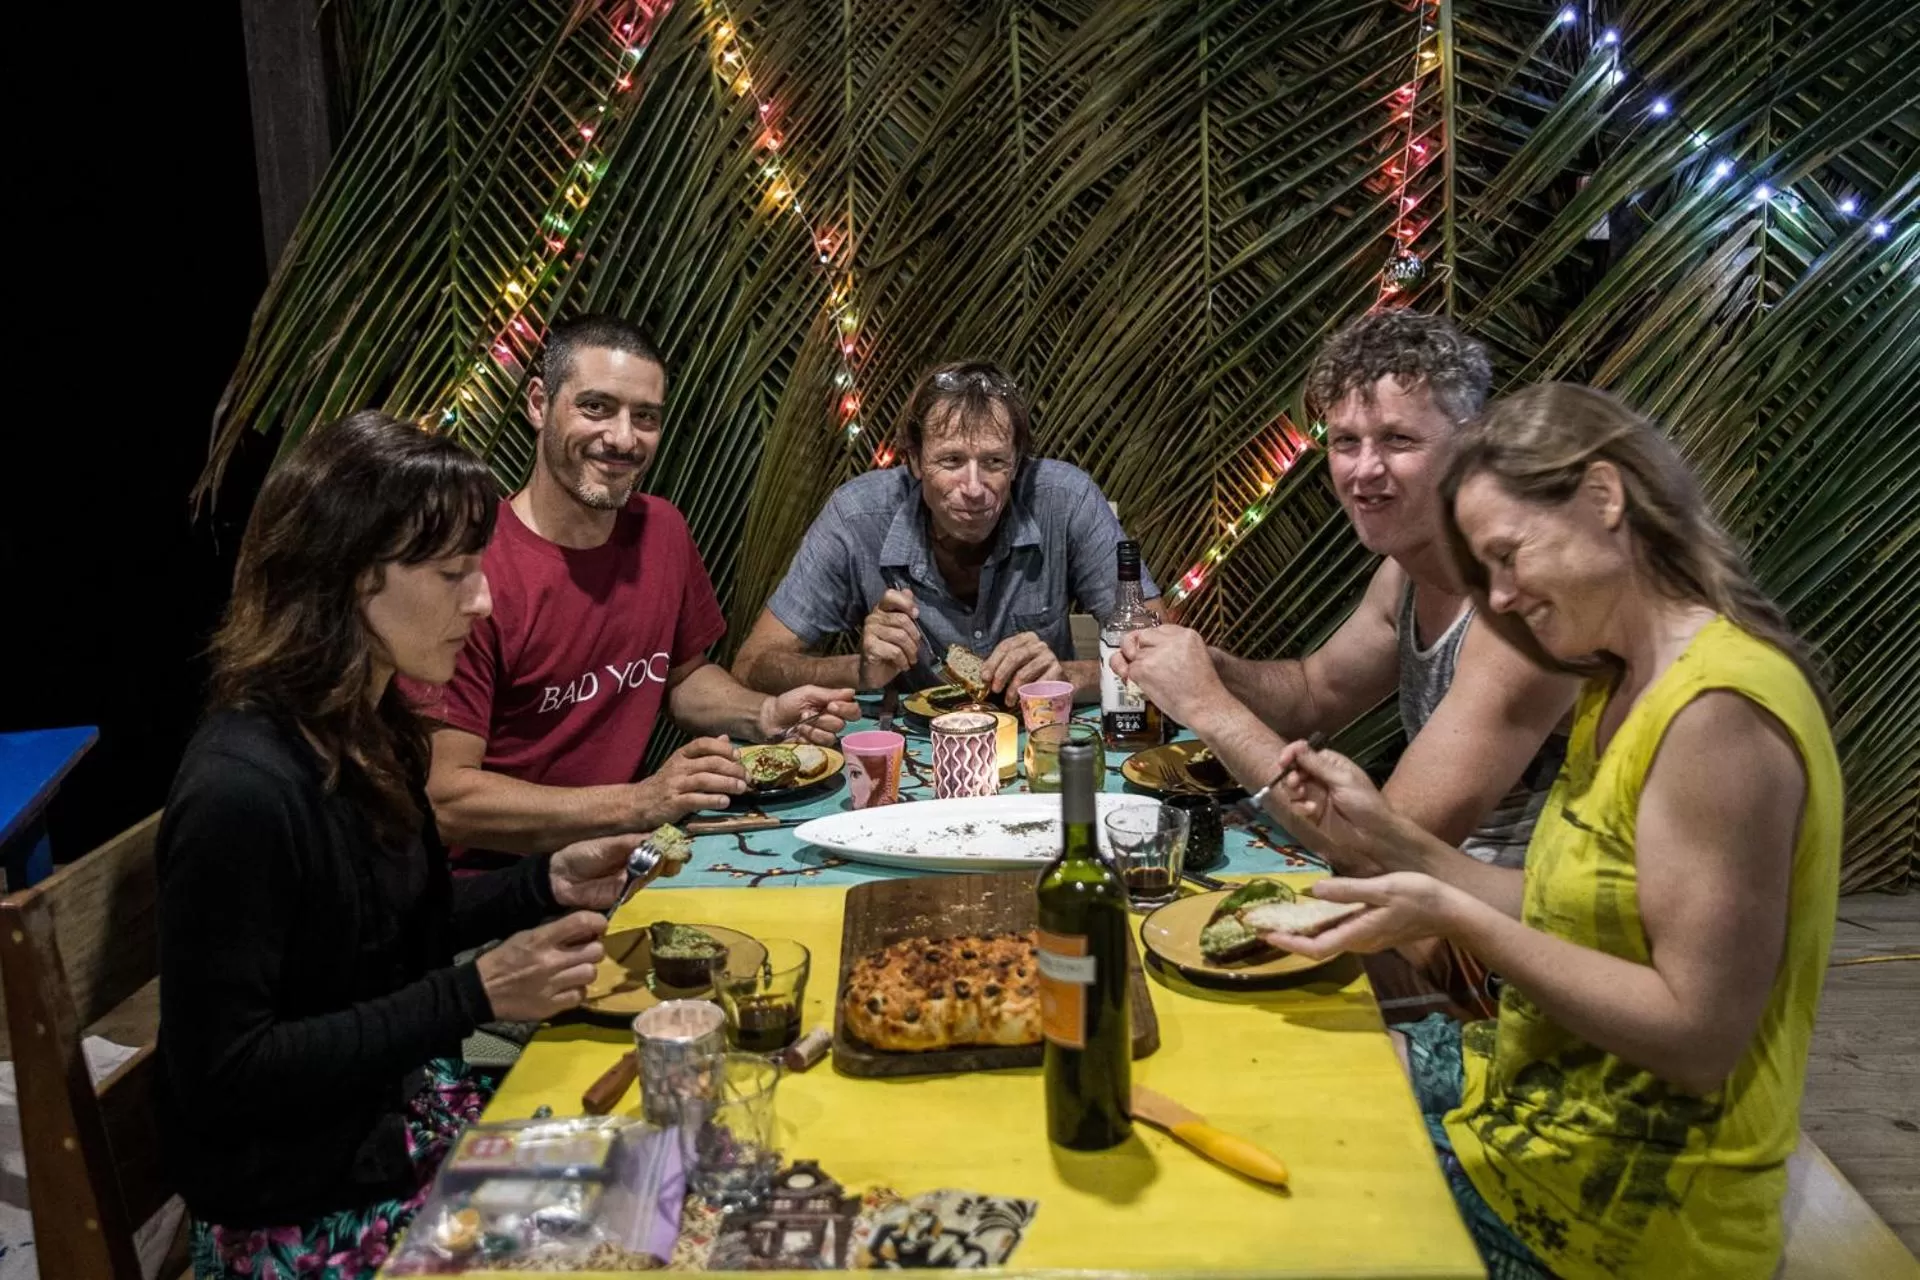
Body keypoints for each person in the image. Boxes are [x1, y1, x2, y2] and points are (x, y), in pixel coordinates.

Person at [1251, 385, 1841, 1280]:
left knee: (1256, 1231)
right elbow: (1579, 908)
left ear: (1604, 499)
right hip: (1526, 1107)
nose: (1501, 595)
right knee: (1261, 1081)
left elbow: (1698, 1034)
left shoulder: (1717, 712)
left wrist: (1456, 916)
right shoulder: (1618, 677)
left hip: (1622, 1211)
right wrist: (1394, 841)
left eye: (1508, 555)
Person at [157, 413, 653, 1280]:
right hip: (303, 1209)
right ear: (351, 579)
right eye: (454, 573)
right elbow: (226, 1071)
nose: (484, 600)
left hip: (403, 1131)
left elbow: (380, 931)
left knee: (678, 1163)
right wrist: (477, 992)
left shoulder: (373, 728)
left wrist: (545, 884)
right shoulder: (243, 789)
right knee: (647, 1235)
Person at [1119, 312, 1574, 871]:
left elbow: (1382, 849)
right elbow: (1314, 694)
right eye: (1345, 442)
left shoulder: (1517, 605)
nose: (1364, 471)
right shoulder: (1403, 573)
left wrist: (1204, 704)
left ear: (1470, 448)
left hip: (1519, 929)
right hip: (1435, 902)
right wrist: (1213, 668)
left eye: (1398, 440)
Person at [409, 315, 858, 861]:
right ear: (537, 404)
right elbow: (447, 798)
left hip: (632, 860)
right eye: (595, 407)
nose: (623, 438)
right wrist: (638, 803)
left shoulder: (662, 529)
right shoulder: (473, 572)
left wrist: (763, 714)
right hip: (502, 897)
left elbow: (682, 678)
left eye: (644, 417)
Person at [732, 360, 1159, 706]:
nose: (974, 489)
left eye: (994, 463)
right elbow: (752, 665)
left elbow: (1163, 655)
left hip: (1041, 741)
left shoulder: (1066, 500)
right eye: (951, 461)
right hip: (915, 757)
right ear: (915, 461)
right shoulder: (857, 516)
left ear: (1019, 463)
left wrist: (1067, 676)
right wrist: (860, 670)